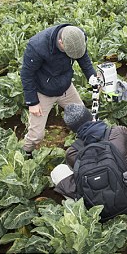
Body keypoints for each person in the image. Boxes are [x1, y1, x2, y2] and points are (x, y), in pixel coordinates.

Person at [20, 23, 99, 156]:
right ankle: (25, 154)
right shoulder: (37, 46)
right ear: (60, 42)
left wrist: (93, 78)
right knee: (36, 135)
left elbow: (84, 59)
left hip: (66, 87)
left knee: (85, 119)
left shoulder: (77, 36)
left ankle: (90, 149)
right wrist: (32, 102)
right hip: (43, 92)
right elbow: (27, 74)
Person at [50, 103, 127, 208]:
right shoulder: (117, 132)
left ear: (73, 129)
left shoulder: (72, 152)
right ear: (91, 117)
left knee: (58, 171)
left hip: (97, 210)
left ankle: (83, 209)